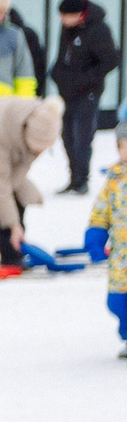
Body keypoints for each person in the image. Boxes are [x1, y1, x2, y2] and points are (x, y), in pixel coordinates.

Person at [0, 96, 62, 268]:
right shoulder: (1, 129)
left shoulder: (41, 120)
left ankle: (12, 251)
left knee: (17, 197)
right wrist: (13, 225)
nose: (37, 153)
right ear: (26, 136)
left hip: (0, 163)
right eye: (35, 149)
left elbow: (15, 175)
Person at [52, 0, 120, 194]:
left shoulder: (99, 29)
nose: (62, 20)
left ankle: (82, 180)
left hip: (88, 92)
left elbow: (111, 60)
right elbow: (63, 55)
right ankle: (74, 178)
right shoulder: (67, 28)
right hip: (67, 91)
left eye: (66, 16)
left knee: (82, 136)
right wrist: (57, 74)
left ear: (79, 15)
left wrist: (85, 79)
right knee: (66, 135)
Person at [87, 121, 127, 357]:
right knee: (118, 301)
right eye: (124, 146)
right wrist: (96, 234)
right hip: (121, 256)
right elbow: (101, 211)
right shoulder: (113, 181)